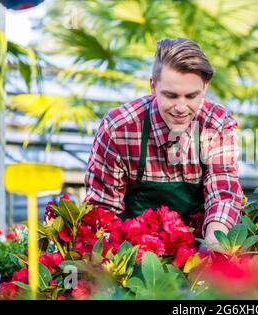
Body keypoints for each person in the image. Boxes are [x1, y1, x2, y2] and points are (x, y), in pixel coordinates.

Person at [84, 38, 242, 246]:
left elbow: (223, 194)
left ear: (205, 88)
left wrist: (213, 244)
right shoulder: (118, 128)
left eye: (191, 96)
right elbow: (102, 209)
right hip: (130, 251)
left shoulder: (217, 124)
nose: (181, 108)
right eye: (171, 95)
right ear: (153, 86)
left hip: (197, 248)